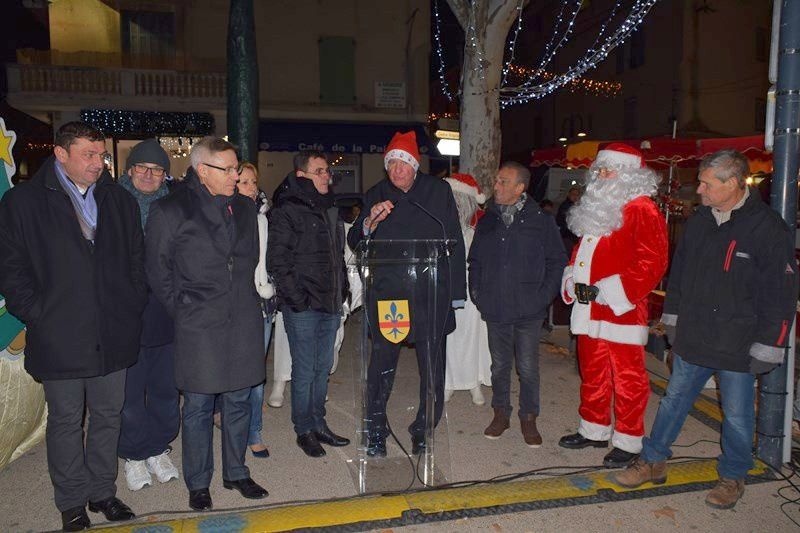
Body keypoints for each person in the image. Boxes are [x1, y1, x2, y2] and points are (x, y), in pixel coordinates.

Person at [611, 149, 798, 509]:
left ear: (733, 183)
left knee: (740, 416)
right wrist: (673, 319)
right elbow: (678, 274)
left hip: (738, 342)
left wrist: (769, 344)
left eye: (707, 183)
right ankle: (653, 461)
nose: (699, 189)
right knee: (673, 402)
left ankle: (732, 476)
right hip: (695, 334)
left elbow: (781, 293)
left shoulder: (768, 228)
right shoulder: (699, 221)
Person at [0, 121, 145, 531]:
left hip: (113, 330)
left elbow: (137, 259)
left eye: (100, 155)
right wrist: (38, 313)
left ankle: (103, 492)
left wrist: (132, 302)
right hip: (59, 333)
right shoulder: (23, 202)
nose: (98, 163)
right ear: (61, 154)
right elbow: (11, 269)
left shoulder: (119, 201)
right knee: (65, 421)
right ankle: (71, 502)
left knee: (108, 415)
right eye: (88, 154)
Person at [146, 137, 268, 511]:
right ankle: (198, 482)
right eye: (228, 169)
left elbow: (249, 260)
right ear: (203, 171)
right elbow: (157, 270)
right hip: (199, 323)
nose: (236, 175)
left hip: (243, 320)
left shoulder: (246, 209)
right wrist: (183, 309)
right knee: (198, 406)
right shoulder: (170, 210)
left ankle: (236, 472)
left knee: (239, 401)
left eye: (236, 169)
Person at [347, 131, 466, 456]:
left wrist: (457, 294)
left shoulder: (438, 191)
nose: (397, 170)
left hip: (431, 294)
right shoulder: (376, 193)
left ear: (415, 166)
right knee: (382, 365)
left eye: (404, 164)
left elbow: (453, 240)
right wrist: (369, 222)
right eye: (392, 164)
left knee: (432, 369)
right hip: (391, 298)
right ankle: (374, 430)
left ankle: (424, 429)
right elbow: (356, 241)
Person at [558, 143, 668, 468]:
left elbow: (652, 262)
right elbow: (582, 253)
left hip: (621, 309)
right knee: (592, 371)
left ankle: (628, 440)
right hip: (589, 306)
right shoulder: (597, 208)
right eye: (600, 169)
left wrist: (608, 292)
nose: (602, 175)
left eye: (609, 169)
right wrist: (570, 279)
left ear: (629, 175)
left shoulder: (641, 209)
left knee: (628, 378)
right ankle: (593, 429)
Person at [469, 162, 566, 446]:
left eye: (502, 181)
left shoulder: (541, 220)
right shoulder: (488, 219)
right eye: (497, 181)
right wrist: (478, 292)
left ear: (520, 188)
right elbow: (475, 260)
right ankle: (501, 414)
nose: (496, 186)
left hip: (529, 309)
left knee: (527, 366)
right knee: (499, 366)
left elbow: (557, 261)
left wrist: (543, 295)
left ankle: (528, 418)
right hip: (495, 306)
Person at [267, 151, 350, 458]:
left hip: (329, 302)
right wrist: (298, 301)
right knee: (304, 370)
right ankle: (304, 429)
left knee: (321, 368)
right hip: (304, 305)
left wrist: (340, 291)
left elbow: (336, 255)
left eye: (327, 171)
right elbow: (277, 260)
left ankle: (318, 423)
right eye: (320, 171)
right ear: (302, 176)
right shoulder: (288, 208)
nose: (327, 175)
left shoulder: (330, 206)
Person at [117, 139, 180, 492]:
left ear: (165, 177)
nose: (148, 174)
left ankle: (158, 447)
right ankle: (133, 454)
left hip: (166, 317)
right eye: (142, 167)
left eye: (156, 170)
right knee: (129, 395)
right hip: (127, 319)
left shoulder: (174, 208)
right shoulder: (112, 203)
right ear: (129, 171)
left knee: (166, 391)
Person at [235, 162, 276, 458]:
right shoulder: (226, 216)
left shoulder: (263, 218)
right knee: (234, 373)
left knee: (256, 372)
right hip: (236, 305)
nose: (251, 188)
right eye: (244, 182)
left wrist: (269, 288)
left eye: (253, 182)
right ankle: (231, 424)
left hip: (262, 302)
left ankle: (254, 432)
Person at [442, 173, 491, 406]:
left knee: (473, 336)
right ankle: (449, 381)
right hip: (448, 288)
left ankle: (473, 382)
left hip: (473, 292)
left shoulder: (479, 228)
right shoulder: (440, 229)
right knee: (449, 335)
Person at [556, 186, 581, 252]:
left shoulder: (576, 206)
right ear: (569, 195)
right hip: (567, 236)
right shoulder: (566, 206)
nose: (575, 197)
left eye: (577, 195)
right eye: (573, 194)